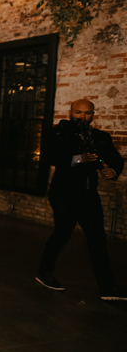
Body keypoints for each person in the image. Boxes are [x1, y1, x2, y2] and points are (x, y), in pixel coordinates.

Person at [36, 99, 126, 301]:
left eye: (87, 113)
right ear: (70, 112)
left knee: (97, 239)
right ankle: (44, 272)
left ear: (93, 114)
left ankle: (107, 287)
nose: (82, 117)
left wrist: (111, 169)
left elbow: (113, 159)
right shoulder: (58, 133)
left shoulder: (100, 137)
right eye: (78, 112)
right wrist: (79, 159)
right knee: (61, 234)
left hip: (88, 195)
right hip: (63, 194)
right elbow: (49, 157)